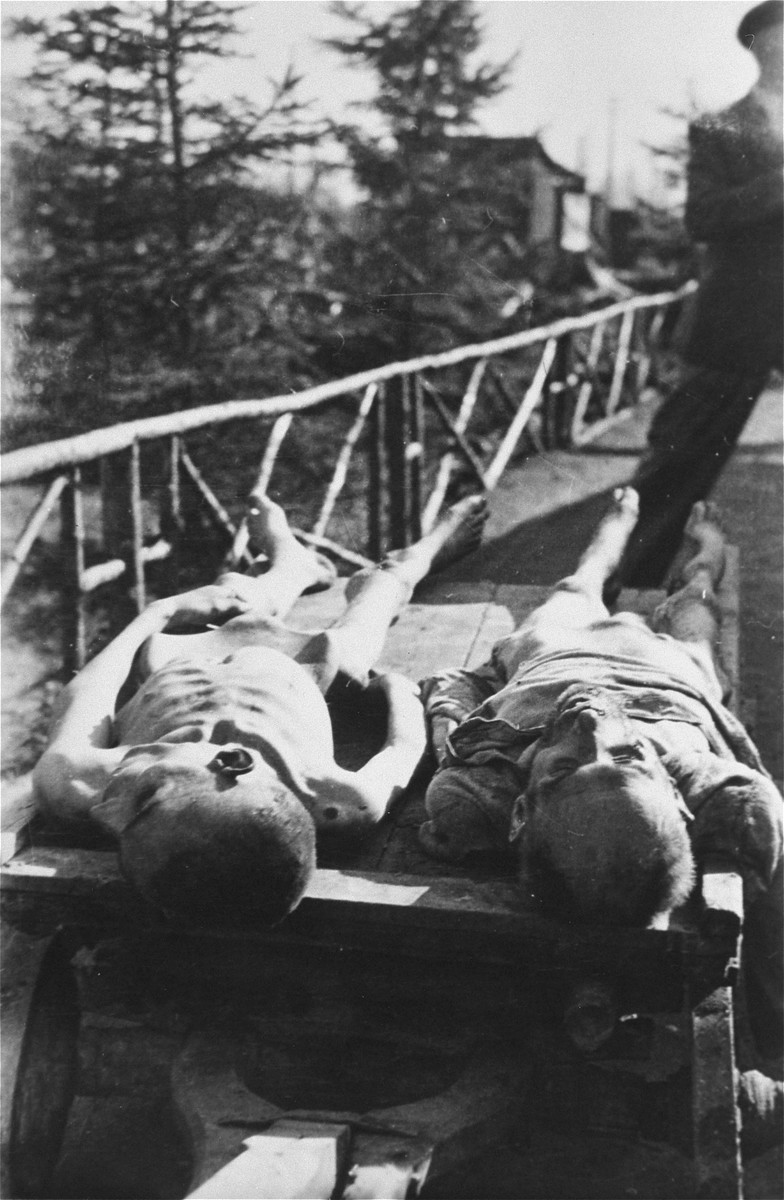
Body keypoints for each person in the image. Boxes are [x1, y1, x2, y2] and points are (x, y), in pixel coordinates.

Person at [420, 487, 782, 1064]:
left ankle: (609, 544)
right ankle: (702, 549)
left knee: (575, 588)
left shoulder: (484, 776)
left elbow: (454, 704)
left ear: (522, 807)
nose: (593, 729)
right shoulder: (682, 767)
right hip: (670, 674)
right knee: (696, 602)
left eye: (564, 766)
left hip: (555, 656)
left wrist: (448, 717)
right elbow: (752, 799)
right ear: (674, 793)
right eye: (629, 759)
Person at [33, 492, 488, 927]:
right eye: (146, 799)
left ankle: (290, 568)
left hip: (182, 661)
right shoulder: (339, 801)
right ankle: (412, 558)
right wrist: (398, 691)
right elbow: (404, 747)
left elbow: (90, 687)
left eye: (121, 832)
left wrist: (159, 613)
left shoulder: (80, 783)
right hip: (309, 673)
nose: (107, 813)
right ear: (232, 762)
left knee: (234, 596)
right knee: (373, 605)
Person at [621, 0, 783, 587]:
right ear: (762, 44)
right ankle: (615, 593)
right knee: (677, 469)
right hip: (738, 320)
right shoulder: (721, 128)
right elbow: (702, 218)